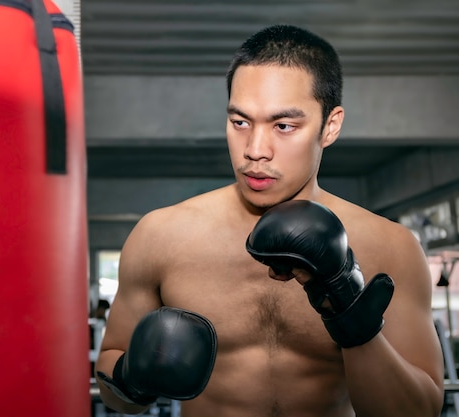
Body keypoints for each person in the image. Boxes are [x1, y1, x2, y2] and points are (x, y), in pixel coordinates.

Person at [94, 24, 444, 417]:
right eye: (240, 122)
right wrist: (132, 376)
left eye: (283, 126)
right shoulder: (161, 236)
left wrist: (352, 319)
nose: (255, 151)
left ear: (331, 126)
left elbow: (420, 411)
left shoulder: (391, 246)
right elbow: (111, 391)